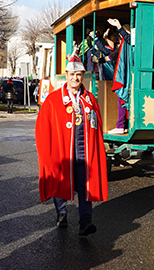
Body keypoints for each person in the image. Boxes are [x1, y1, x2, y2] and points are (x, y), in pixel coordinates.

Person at [35, 53, 107, 236]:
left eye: (79, 75)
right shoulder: (53, 100)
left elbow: (97, 126)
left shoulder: (90, 100)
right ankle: (62, 213)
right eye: (72, 74)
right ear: (66, 75)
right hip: (62, 153)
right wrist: (47, 153)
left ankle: (85, 221)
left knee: (85, 186)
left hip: (84, 152)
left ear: (83, 76)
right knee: (61, 183)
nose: (75, 78)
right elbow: (42, 128)